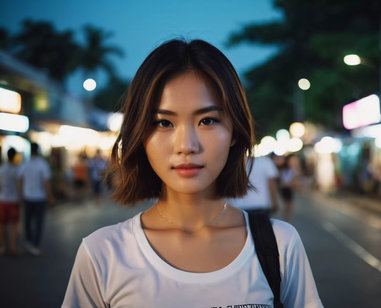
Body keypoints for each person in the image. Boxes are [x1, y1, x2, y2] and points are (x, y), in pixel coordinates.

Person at [63, 39, 322, 307]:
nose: (186, 146)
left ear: (234, 131)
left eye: (207, 120)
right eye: (164, 122)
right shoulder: (101, 254)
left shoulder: (279, 245)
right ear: (140, 135)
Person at [17, 142, 54, 256]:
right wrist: (50, 197)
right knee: (38, 222)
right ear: (38, 151)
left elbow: (19, 179)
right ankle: (35, 245)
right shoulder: (42, 164)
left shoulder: (25, 164)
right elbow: (46, 183)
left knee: (27, 220)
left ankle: (28, 241)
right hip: (40, 198)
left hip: (27, 197)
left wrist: (21, 193)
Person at [0, 148, 21, 256]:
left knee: (2, 224)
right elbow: (19, 185)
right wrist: (21, 197)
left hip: (2, 199)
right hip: (13, 200)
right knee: (14, 225)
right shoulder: (16, 169)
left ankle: (4, 247)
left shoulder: (2, 169)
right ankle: (13, 247)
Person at [279, 154, 299, 221]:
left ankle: (287, 218)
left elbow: (294, 182)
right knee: (287, 204)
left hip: (289, 189)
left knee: (289, 204)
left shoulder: (293, 170)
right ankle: (286, 218)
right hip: (285, 189)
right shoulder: (283, 170)